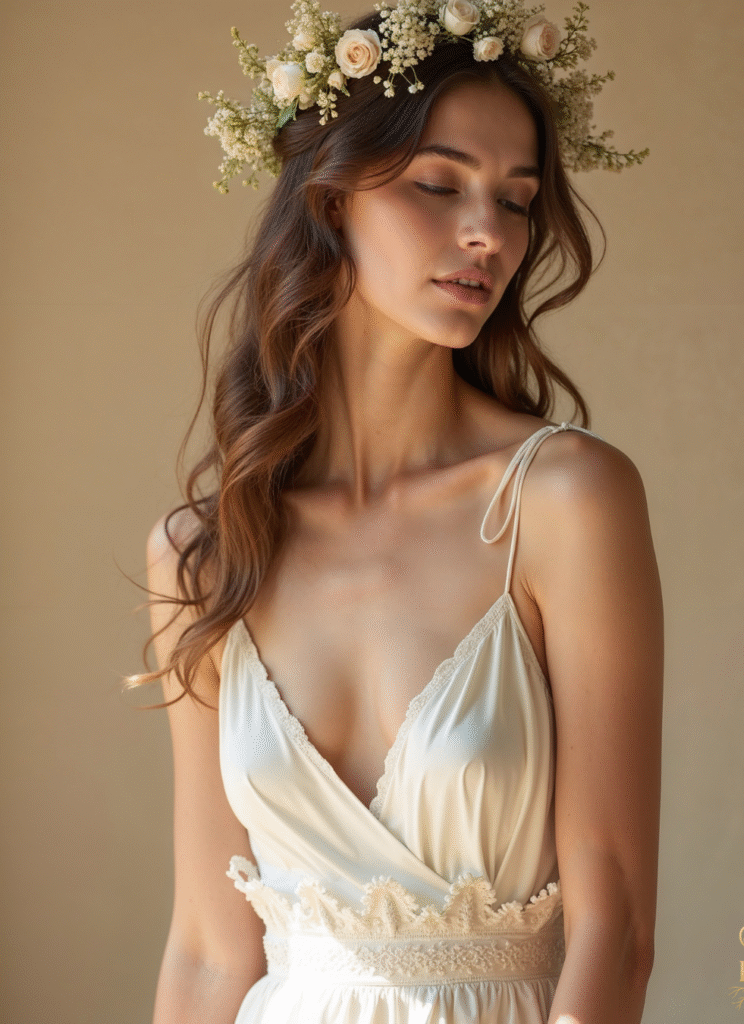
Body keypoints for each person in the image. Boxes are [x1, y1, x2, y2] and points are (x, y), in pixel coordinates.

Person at [137, 1, 662, 1021]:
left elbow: (620, 928)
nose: (488, 234)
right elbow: (207, 949)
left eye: (516, 201)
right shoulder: (203, 554)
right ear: (330, 200)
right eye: (439, 184)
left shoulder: (561, 500)